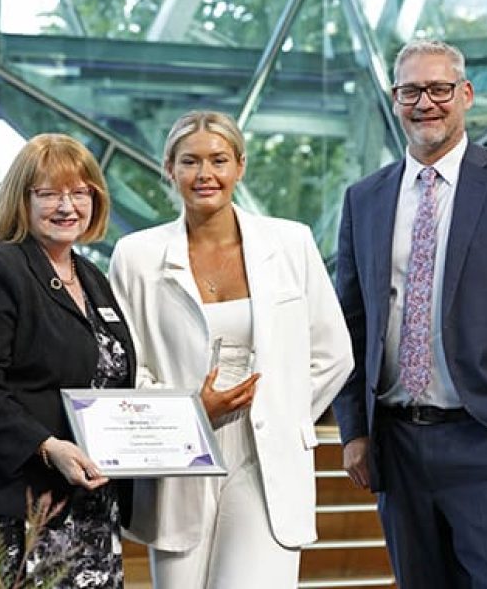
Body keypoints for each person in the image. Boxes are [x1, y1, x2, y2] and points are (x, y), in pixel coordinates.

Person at [331, 39, 487, 588]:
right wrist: (354, 430)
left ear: (465, 94)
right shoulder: (365, 199)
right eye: (411, 91)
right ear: (394, 99)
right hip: (395, 445)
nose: (427, 102)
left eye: (440, 88)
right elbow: (348, 325)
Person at [108, 110, 353, 588]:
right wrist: (189, 412)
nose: (205, 175)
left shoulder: (291, 243)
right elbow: (124, 366)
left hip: (265, 456)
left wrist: (282, 410)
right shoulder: (135, 256)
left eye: (218, 160)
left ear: (240, 166)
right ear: (169, 168)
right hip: (182, 453)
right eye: (190, 162)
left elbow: (332, 352)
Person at [0, 133, 136, 588]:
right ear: (21, 199)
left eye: (80, 192)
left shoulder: (91, 276)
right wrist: (47, 446)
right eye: (50, 193)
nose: (67, 206)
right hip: (8, 504)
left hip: (87, 505)